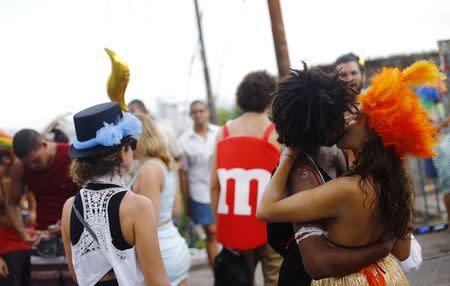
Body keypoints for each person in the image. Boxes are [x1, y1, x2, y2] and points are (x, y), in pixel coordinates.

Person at [258, 61, 444, 285]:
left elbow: (267, 212)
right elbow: (402, 251)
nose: (348, 116)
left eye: (357, 117)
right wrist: (378, 250)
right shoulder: (388, 175)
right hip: (380, 275)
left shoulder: (347, 176)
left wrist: (286, 155)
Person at [265, 66, 396, 286]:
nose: (343, 121)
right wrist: (379, 250)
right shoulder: (302, 172)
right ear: (312, 126)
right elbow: (318, 263)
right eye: (332, 121)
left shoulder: (343, 145)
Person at [60, 102, 170, 286]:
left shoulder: (69, 206)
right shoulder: (138, 206)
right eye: (131, 144)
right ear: (122, 152)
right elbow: (157, 281)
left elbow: (76, 272)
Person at [210, 71, 282, 286]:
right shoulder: (276, 133)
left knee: (239, 280)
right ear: (271, 98)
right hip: (271, 225)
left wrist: (220, 223)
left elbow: (215, 186)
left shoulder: (223, 133)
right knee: (275, 280)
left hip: (235, 224)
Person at [130, 113, 190, 286]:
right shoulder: (165, 162)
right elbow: (175, 209)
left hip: (161, 252)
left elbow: (149, 222)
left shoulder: (149, 169)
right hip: (172, 244)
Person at [6, 128, 79, 246]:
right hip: (43, 234)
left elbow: (88, 196)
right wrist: (22, 232)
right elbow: (11, 203)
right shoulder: (19, 166)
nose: (32, 166)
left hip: (76, 232)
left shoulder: (71, 156)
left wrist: (70, 219)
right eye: (27, 164)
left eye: (35, 160)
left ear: (44, 145)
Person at [178, 100, 220, 267]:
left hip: (221, 190)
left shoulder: (219, 133)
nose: (198, 114)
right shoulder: (183, 141)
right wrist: (186, 202)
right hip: (199, 192)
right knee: (211, 232)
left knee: (225, 233)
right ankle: (217, 274)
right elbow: (183, 174)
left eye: (201, 111)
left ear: (208, 112)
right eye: (195, 112)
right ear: (191, 115)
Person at [0, 130, 31, 286]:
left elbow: (31, 194)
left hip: (23, 241)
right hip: (5, 246)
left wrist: (33, 212)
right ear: (5, 159)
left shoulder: (17, 178)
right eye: (15, 157)